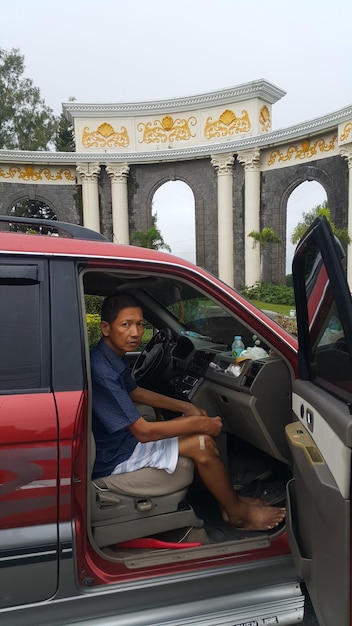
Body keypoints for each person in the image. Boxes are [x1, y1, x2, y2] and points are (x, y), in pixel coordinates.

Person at [90, 293, 286, 532]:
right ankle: (237, 514)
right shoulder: (102, 370)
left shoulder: (108, 357)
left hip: (120, 443)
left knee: (202, 440)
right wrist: (200, 425)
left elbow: (135, 392)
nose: (135, 333)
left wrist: (186, 407)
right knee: (202, 444)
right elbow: (143, 432)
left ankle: (230, 503)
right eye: (125, 324)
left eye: (140, 324)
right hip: (114, 456)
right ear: (105, 328)